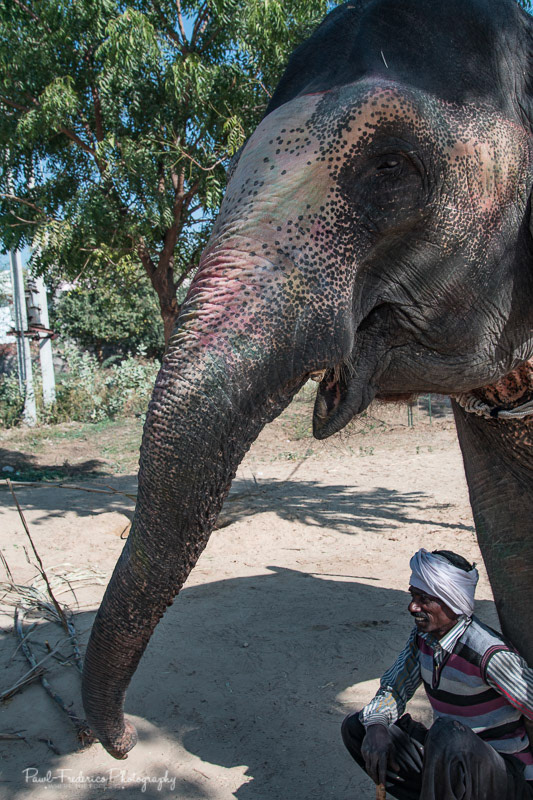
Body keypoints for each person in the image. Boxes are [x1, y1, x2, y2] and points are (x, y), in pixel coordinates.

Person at [341, 548, 533, 800]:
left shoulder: (490, 654)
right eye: (413, 596)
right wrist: (376, 725)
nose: (413, 606)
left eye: (423, 599)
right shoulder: (422, 639)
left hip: (503, 776)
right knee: (359, 726)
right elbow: (394, 689)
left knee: (448, 734)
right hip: (449, 758)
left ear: (451, 599)